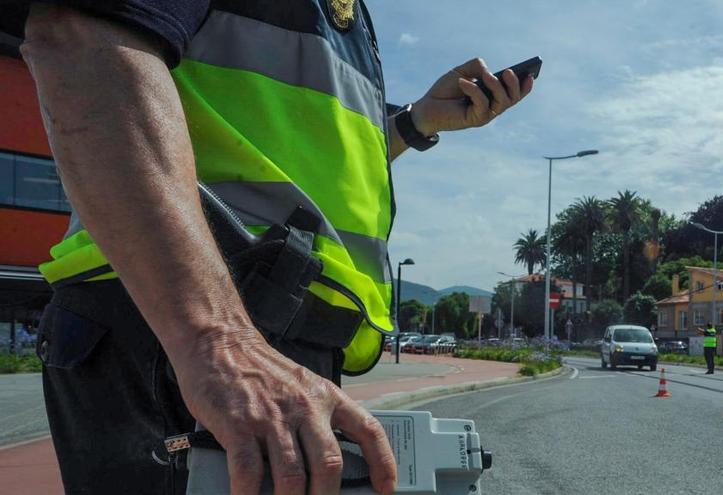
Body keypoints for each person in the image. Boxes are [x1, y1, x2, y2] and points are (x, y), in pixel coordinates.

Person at [1, 2, 534, 494]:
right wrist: (214, 337)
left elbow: (305, 165)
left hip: (257, 333)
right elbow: (79, 37)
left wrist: (417, 122)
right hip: (187, 322)